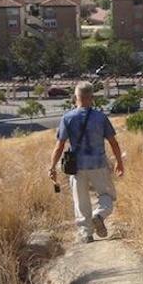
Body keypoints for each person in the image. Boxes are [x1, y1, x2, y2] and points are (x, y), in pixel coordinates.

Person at [49, 82, 124, 242]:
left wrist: (52, 167)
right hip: (98, 163)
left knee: (80, 200)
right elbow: (113, 142)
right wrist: (119, 161)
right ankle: (100, 214)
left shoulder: (67, 118)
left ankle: (86, 234)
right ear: (92, 97)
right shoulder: (100, 117)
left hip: (76, 166)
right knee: (107, 195)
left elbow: (59, 146)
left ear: (76, 97)